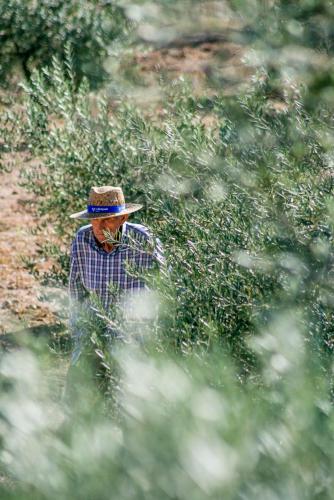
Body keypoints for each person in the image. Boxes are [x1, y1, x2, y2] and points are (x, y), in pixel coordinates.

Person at [67, 185, 164, 367]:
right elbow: (76, 292)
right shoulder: (82, 239)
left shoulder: (144, 241)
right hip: (93, 337)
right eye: (95, 220)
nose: (99, 226)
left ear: (123, 218)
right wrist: (79, 333)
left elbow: (164, 290)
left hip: (135, 341)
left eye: (107, 220)